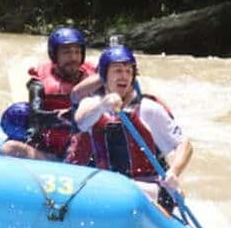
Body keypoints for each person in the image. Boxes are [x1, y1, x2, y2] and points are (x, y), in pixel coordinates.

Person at [73, 45, 194, 213]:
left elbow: (184, 145)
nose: (124, 76)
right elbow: (81, 122)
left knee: (131, 191)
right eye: (117, 71)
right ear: (104, 75)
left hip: (147, 188)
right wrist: (103, 105)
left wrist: (174, 172)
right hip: (107, 186)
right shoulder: (92, 104)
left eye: (128, 71)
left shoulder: (149, 108)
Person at [0, 27, 99, 161]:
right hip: (49, 150)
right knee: (9, 146)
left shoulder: (94, 78)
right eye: (66, 53)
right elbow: (36, 114)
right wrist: (67, 117)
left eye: (77, 52)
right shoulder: (38, 83)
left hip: (83, 148)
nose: (73, 57)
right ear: (54, 55)